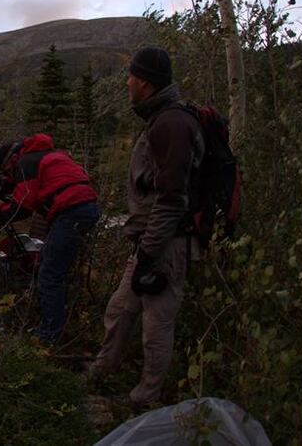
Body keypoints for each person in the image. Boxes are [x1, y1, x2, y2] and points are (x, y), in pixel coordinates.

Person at [87, 46, 205, 407]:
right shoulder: (160, 119)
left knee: (156, 326)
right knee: (121, 308)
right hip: (150, 244)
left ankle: (145, 397)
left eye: (131, 76)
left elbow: (172, 199)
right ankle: (103, 368)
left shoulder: (171, 123)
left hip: (167, 245)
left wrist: (149, 253)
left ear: (146, 82)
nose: (127, 82)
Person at [0, 133, 100, 345]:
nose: (11, 177)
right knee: (52, 265)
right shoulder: (49, 155)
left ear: (11, 161)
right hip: (85, 207)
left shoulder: (25, 162)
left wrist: (1, 208)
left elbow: (21, 208)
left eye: (8, 173)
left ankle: (49, 337)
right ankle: (56, 326)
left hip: (70, 211)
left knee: (49, 274)